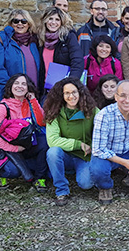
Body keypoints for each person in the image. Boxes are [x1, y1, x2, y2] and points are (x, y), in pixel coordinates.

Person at [0, 74, 48, 191]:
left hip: (27, 144)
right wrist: (14, 149)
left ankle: (40, 179)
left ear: (28, 87)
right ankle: (0, 173)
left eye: (24, 84)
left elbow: (42, 122)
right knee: (13, 172)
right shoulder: (3, 107)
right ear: (11, 87)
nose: (20, 86)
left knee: (45, 142)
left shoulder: (29, 103)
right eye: (17, 83)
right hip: (8, 149)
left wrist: (33, 100)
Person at [44, 78, 97, 206]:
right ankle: (61, 190)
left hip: (84, 156)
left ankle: (76, 171)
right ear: (61, 95)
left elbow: (103, 130)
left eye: (74, 92)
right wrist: (78, 144)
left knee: (86, 184)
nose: (71, 96)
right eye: (67, 93)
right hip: (65, 155)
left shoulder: (92, 110)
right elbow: (52, 140)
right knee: (52, 152)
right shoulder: (55, 112)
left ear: (80, 93)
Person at [0, 9, 41, 100]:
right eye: (16, 21)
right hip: (10, 94)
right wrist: (13, 89)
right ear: (11, 24)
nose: (20, 24)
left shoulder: (33, 41)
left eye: (24, 21)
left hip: (32, 94)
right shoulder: (0, 40)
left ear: (29, 24)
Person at [38, 7, 84, 91]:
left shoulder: (68, 37)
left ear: (61, 22)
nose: (53, 22)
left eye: (57, 19)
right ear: (45, 20)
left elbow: (77, 61)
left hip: (64, 88)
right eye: (50, 19)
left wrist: (71, 83)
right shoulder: (39, 38)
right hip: (44, 87)